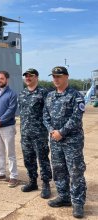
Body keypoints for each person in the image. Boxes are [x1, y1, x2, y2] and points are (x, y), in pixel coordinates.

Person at [43, 66, 87, 218]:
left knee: (75, 171)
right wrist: (52, 131)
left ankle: (78, 203)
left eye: (59, 76)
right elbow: (45, 116)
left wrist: (61, 132)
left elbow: (76, 117)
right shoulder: (49, 96)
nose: (56, 79)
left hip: (72, 140)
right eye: (54, 76)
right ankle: (63, 197)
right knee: (59, 170)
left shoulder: (75, 96)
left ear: (66, 77)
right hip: (55, 140)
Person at [18, 68, 52, 198]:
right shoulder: (22, 93)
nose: (28, 78)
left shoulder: (43, 93)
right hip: (25, 133)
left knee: (43, 159)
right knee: (28, 159)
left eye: (30, 76)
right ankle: (32, 182)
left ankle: (46, 184)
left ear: (36, 77)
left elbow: (48, 113)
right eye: (26, 76)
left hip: (39, 134)